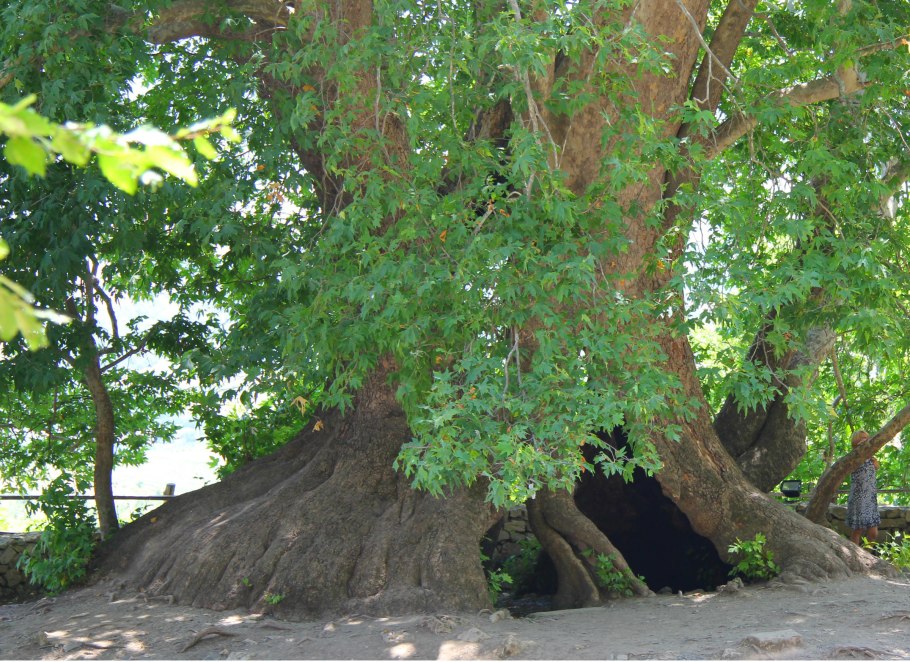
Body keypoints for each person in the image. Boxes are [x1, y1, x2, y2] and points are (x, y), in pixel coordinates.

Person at [845, 429, 880, 545]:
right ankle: (855, 556)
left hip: (870, 499)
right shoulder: (853, 457)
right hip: (858, 499)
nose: (865, 440)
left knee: (873, 533)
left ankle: (867, 557)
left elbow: (876, 468)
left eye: (866, 438)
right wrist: (859, 451)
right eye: (862, 438)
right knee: (857, 530)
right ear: (856, 441)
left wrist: (875, 463)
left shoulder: (872, 458)